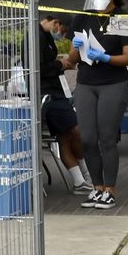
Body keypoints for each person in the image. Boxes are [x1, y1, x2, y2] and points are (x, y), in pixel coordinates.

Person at [67, 0, 128, 211]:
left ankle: (110, 190)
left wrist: (106, 57)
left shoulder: (123, 18)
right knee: (87, 138)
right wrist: (77, 49)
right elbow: (71, 58)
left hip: (113, 83)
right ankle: (96, 188)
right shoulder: (82, 17)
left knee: (107, 138)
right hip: (86, 82)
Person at [37, 14, 92, 194]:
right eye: (63, 30)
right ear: (55, 23)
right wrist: (59, 65)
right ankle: (85, 175)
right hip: (49, 94)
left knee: (66, 136)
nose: (62, 34)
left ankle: (80, 180)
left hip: (56, 91)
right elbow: (38, 67)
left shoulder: (44, 37)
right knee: (74, 130)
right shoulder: (35, 37)